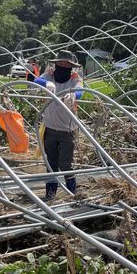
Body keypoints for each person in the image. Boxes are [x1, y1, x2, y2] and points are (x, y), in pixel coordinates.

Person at [33, 50, 83, 200]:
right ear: (56, 64)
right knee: (51, 164)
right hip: (50, 128)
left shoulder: (74, 78)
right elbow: (36, 81)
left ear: (71, 66)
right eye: (60, 63)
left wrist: (74, 95)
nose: (63, 66)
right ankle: (50, 195)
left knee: (66, 164)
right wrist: (46, 83)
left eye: (66, 64)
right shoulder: (50, 74)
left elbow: (80, 90)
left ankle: (72, 194)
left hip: (67, 129)